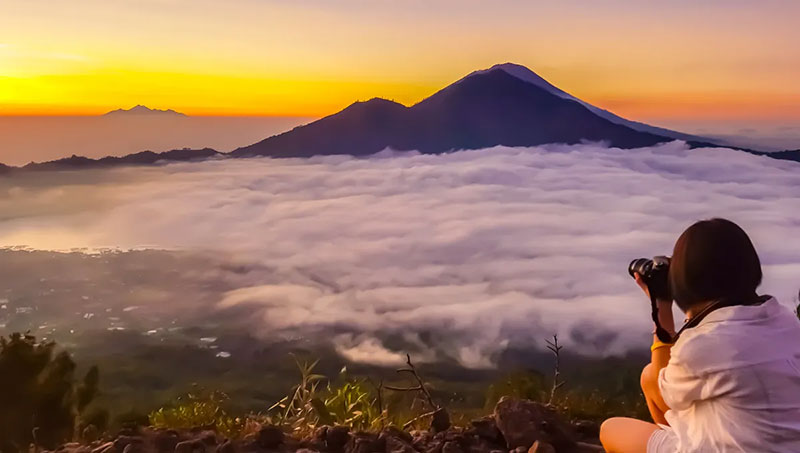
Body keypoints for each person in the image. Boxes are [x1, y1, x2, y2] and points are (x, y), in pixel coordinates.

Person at [600, 218, 800, 452]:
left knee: (611, 428)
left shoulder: (705, 345)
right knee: (648, 375)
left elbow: (667, 397)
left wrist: (661, 306)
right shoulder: (786, 321)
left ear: (684, 283)